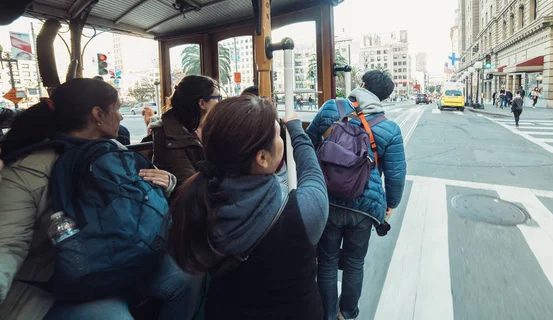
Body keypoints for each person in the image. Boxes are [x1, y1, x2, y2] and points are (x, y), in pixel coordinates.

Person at [0, 78, 200, 320]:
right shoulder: (27, 171)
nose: (121, 116)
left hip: (122, 256)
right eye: (116, 108)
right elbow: (8, 246)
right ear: (98, 114)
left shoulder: (114, 151)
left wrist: (167, 183)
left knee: (189, 274)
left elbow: (137, 202)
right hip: (60, 278)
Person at [168, 96, 328, 319]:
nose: (281, 139)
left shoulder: (197, 200)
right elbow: (312, 174)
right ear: (262, 157)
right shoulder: (302, 214)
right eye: (276, 135)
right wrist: (295, 129)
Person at [305, 70, 406, 320]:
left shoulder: (331, 108)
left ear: (361, 85)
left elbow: (307, 143)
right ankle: (347, 313)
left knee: (326, 262)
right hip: (364, 207)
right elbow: (395, 175)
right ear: (383, 97)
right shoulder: (389, 129)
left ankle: (327, 314)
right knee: (354, 263)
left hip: (327, 200)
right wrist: (390, 204)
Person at [150, 75, 220, 188]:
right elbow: (186, 185)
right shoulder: (168, 136)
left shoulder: (212, 126)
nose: (220, 103)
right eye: (218, 98)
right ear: (202, 103)